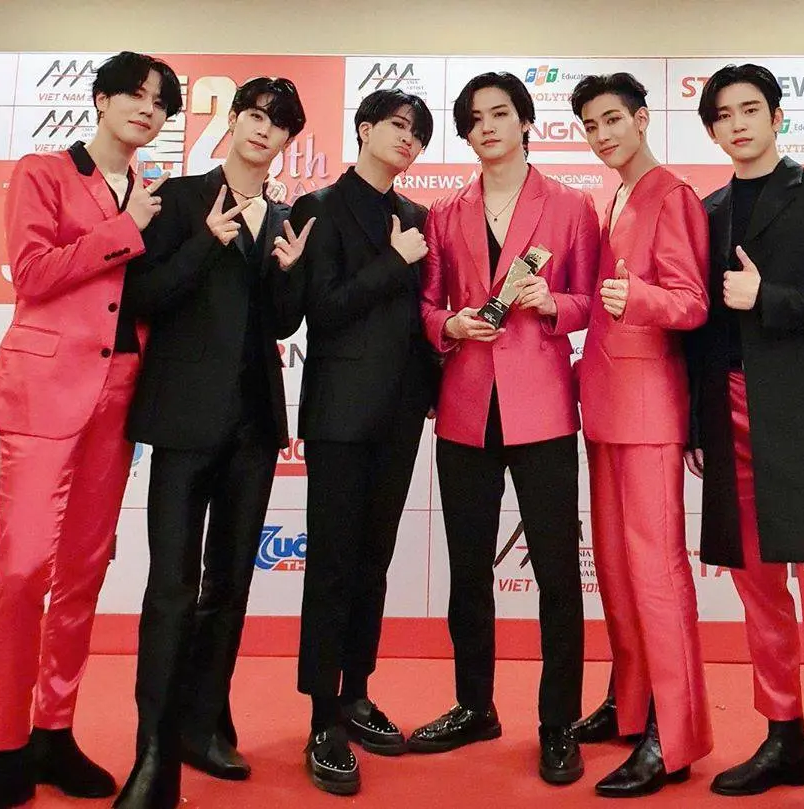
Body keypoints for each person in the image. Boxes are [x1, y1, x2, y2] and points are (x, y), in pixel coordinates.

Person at [0, 51, 181, 809]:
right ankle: (8, 747)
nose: (148, 110)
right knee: (23, 570)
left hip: (120, 395)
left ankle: (54, 732)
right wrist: (126, 229)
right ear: (100, 99)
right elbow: (30, 272)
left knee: (84, 572)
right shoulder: (44, 172)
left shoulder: (153, 191)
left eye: (161, 103)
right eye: (136, 95)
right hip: (43, 392)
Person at [686, 63, 804, 809]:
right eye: (723, 115)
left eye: (750, 109)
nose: (737, 124)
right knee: (757, 586)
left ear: (776, 117)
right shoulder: (705, 211)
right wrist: (698, 422)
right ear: (711, 130)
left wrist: (769, 297)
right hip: (729, 411)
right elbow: (700, 327)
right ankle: (783, 733)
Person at [113, 77, 311, 809]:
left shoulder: (284, 216)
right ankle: (153, 751)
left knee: (229, 586)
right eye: (254, 115)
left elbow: (282, 325)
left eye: (278, 124)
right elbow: (141, 297)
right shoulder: (176, 199)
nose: (263, 130)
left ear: (287, 140)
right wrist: (205, 242)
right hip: (181, 423)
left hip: (253, 429)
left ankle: (203, 723)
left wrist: (288, 276)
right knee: (171, 588)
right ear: (232, 120)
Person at [411, 71, 599, 784]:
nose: (486, 127)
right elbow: (427, 306)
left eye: (499, 113)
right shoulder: (444, 212)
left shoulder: (572, 205)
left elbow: (591, 300)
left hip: (542, 405)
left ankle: (558, 723)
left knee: (556, 571)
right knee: (467, 569)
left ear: (526, 123)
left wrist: (552, 303)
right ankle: (474, 704)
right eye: (474, 118)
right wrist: (450, 324)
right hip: (465, 406)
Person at [284, 88, 438, 796]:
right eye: (398, 126)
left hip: (401, 413)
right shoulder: (317, 207)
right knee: (333, 564)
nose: (409, 140)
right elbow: (321, 309)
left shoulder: (419, 217)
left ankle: (357, 692)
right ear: (365, 129)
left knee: (374, 560)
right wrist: (393, 262)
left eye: (419, 133)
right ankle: (322, 717)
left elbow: (420, 319)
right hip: (340, 414)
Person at [568, 72, 712, 798]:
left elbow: (692, 302)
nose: (602, 135)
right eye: (591, 125)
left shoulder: (673, 193)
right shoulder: (614, 196)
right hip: (604, 403)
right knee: (618, 569)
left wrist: (641, 297)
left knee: (656, 572)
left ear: (642, 118)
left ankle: (674, 733)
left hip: (651, 406)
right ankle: (631, 703)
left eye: (612, 120)